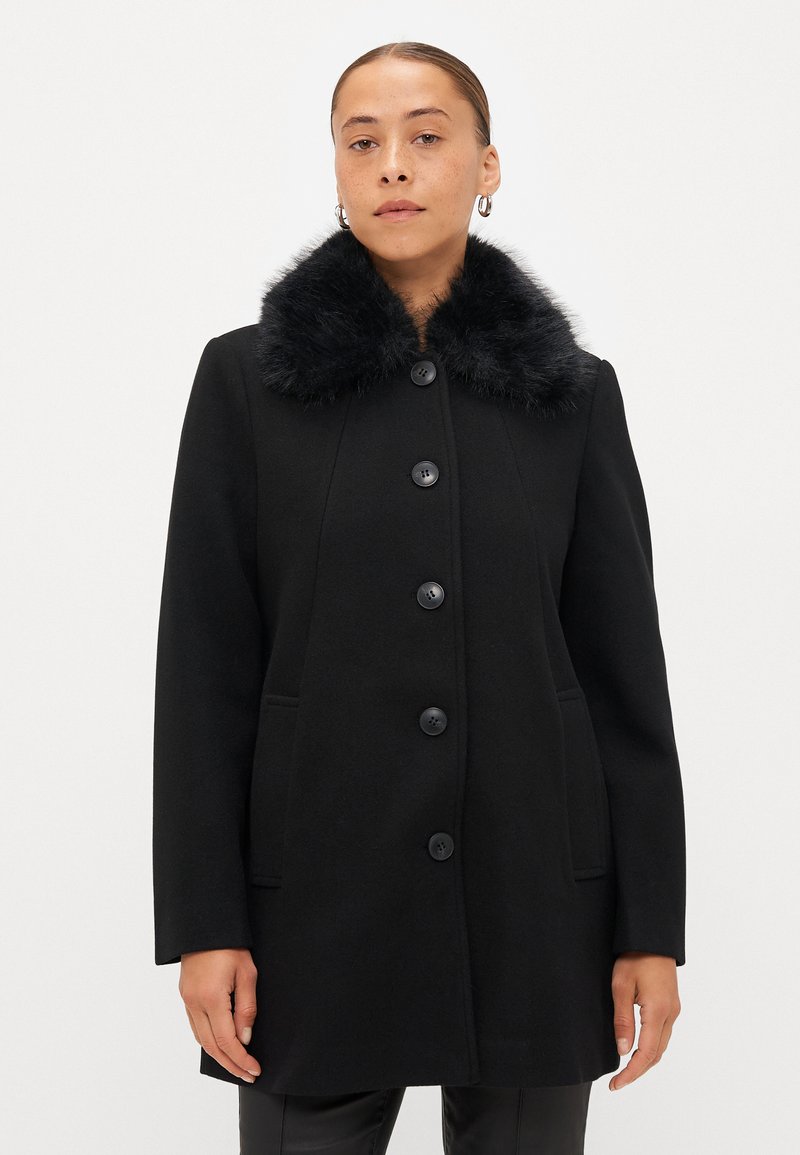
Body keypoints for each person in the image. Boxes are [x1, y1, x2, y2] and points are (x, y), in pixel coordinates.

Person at [152, 41, 686, 1155]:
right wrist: (205, 924)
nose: (392, 164)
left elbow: (621, 680)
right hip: (313, 912)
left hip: (536, 905)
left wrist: (648, 927)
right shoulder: (244, 384)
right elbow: (203, 673)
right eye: (363, 141)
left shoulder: (573, 397)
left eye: (426, 136)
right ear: (337, 171)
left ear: (486, 166)